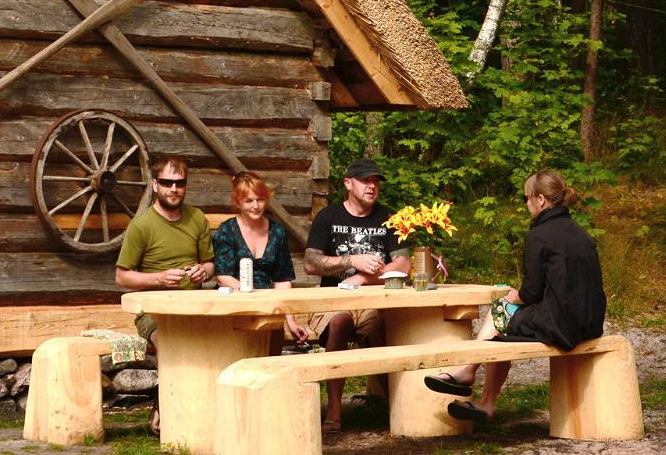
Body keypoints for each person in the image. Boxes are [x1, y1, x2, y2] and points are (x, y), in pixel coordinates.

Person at [423, 169, 605, 425]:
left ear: (541, 199)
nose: (526, 204)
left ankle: (470, 377)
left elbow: (531, 293)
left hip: (562, 326)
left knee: (500, 312)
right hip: (590, 322)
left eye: (526, 198)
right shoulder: (580, 233)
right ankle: (475, 385)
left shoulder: (539, 234)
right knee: (502, 321)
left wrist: (514, 296)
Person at [301, 158, 412, 431]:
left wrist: (364, 277)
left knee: (386, 325)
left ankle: (398, 406)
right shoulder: (328, 217)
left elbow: (404, 265)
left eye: (375, 181)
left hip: (374, 300)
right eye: (365, 180)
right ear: (348, 184)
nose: (372, 186)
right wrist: (353, 261)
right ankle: (335, 411)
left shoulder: (390, 218)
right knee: (340, 322)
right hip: (332, 300)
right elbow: (310, 263)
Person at [115, 154, 215, 433]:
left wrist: (202, 272)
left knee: (223, 336)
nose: (174, 189)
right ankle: (165, 406)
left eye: (179, 183)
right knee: (171, 339)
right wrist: (158, 278)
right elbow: (121, 276)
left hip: (195, 305)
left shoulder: (197, 218)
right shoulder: (142, 224)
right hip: (153, 311)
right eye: (168, 183)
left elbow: (209, 263)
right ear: (156, 185)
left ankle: (209, 411)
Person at [212, 171, 310, 344]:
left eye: (260, 199)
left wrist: (291, 321)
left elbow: (282, 280)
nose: (256, 206)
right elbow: (223, 276)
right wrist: (250, 296)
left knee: (271, 354)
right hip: (234, 305)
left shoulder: (277, 231)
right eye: (248, 201)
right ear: (238, 202)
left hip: (268, 305)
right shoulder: (227, 230)